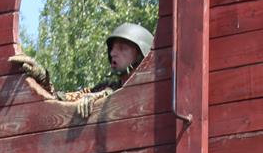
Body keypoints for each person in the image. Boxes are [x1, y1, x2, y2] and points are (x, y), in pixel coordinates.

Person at [9, 21, 154, 117]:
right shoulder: (100, 89)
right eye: (113, 49)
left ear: (141, 56)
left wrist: (103, 96)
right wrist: (41, 79)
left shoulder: (154, 90)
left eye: (122, 48)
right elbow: (60, 100)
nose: (113, 53)